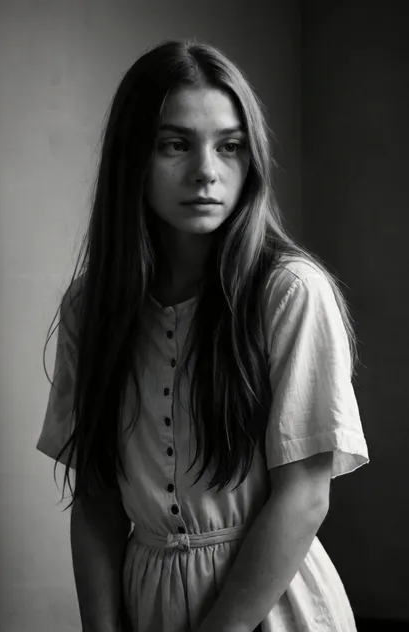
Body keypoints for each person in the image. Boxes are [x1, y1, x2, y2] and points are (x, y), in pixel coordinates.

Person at [36, 39, 369, 632]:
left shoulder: (289, 292)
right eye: (174, 145)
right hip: (145, 603)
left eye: (230, 147)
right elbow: (94, 500)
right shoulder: (93, 308)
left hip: (272, 605)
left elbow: (305, 495)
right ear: (131, 158)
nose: (206, 172)